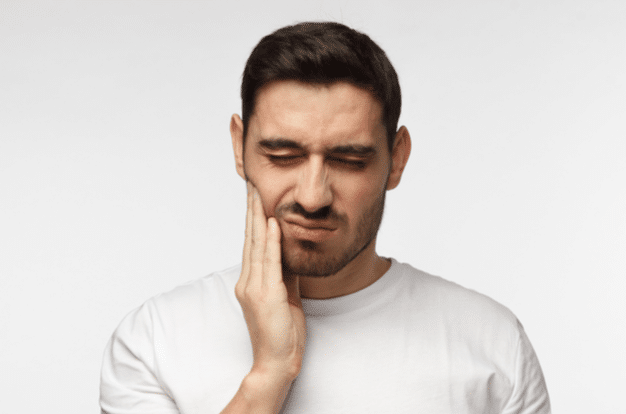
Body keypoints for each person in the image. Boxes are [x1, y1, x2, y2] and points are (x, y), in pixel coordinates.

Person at [100, 22, 551, 414]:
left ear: (397, 160)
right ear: (239, 148)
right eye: (282, 155)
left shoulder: (492, 343)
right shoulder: (154, 342)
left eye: (350, 160)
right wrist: (270, 375)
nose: (313, 196)